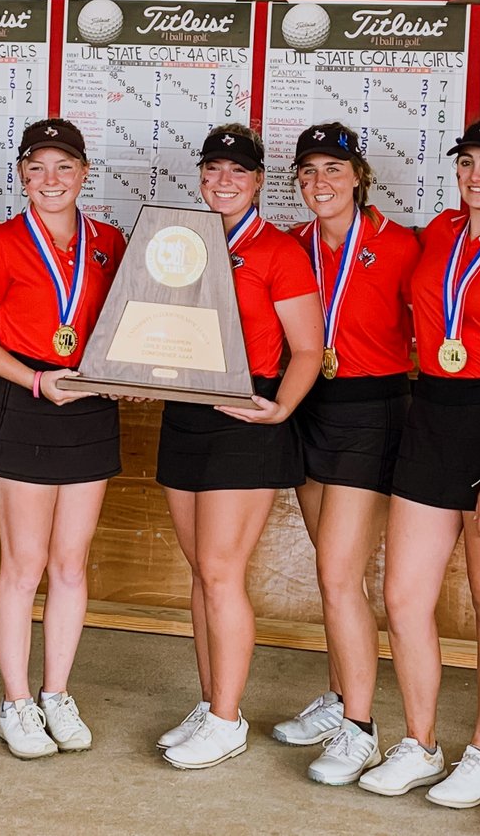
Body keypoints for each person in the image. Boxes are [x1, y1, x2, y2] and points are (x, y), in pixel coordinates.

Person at [358, 118, 480, 809]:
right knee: (403, 595)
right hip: (430, 415)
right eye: (467, 161)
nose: (477, 175)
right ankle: (420, 740)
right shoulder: (439, 232)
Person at [0, 118, 126, 760]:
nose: (51, 180)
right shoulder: (0, 243)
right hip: (25, 402)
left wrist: (129, 373)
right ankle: (16, 702)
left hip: (87, 405)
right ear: (22, 176)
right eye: (38, 168)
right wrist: (35, 380)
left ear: (83, 174)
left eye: (64, 168)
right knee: (24, 564)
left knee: (71, 563)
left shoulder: (109, 241)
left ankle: (56, 692)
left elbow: (131, 323)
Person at [155, 123, 323, 770]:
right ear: (202, 176)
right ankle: (209, 701)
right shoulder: (181, 245)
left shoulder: (278, 249)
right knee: (202, 572)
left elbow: (306, 348)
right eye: (213, 169)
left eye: (238, 171)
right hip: (186, 409)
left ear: (257, 181)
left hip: (246, 415)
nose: (223, 181)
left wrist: (281, 405)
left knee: (223, 572)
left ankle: (228, 718)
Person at [273, 122, 420, 785]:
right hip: (310, 404)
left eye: (333, 169)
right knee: (338, 574)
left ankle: (361, 727)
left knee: (337, 573)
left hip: (373, 409)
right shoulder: (291, 247)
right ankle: (339, 700)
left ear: (359, 176)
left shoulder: (402, 246)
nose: (319, 183)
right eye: (308, 172)